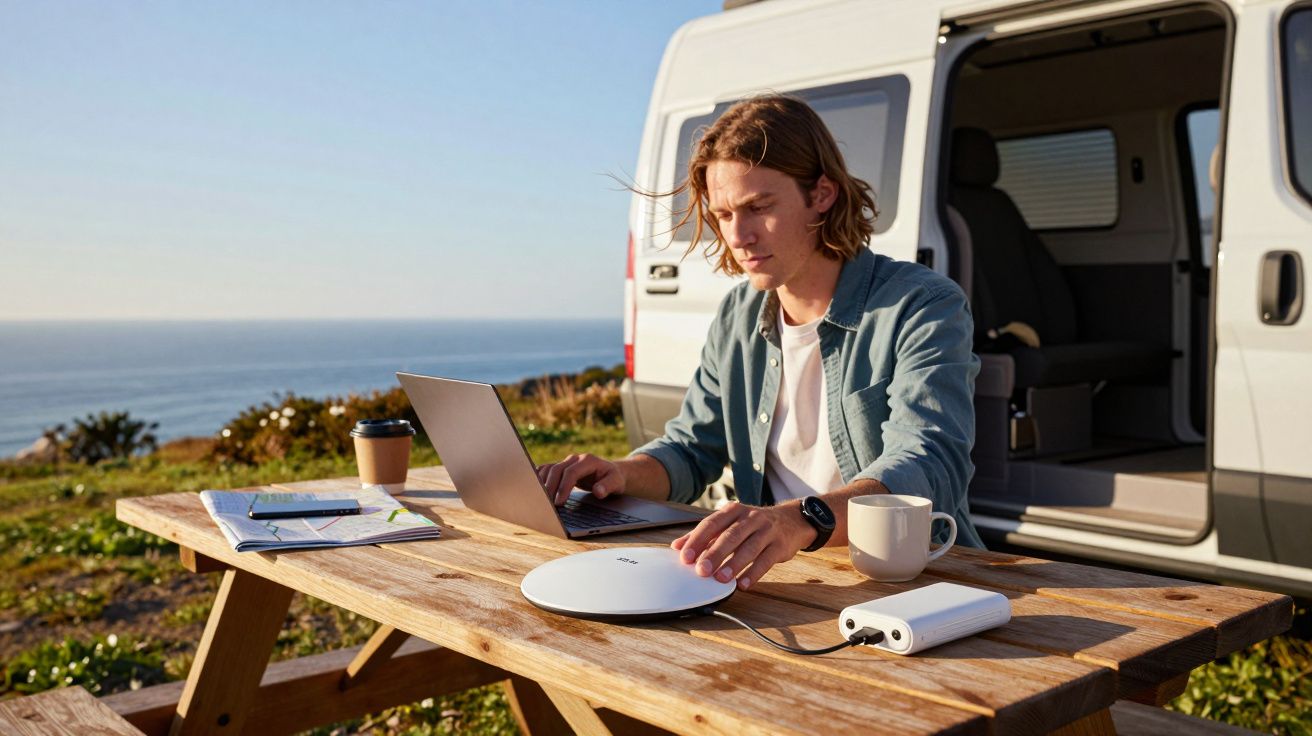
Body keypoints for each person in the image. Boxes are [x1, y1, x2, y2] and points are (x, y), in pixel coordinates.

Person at [538, 95, 983, 591]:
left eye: (758, 207)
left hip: (913, 582)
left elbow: (928, 461)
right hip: (779, 580)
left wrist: (800, 520)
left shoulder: (921, 304)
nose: (738, 235)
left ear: (822, 195)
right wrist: (618, 474)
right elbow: (691, 450)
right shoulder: (737, 315)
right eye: (723, 214)